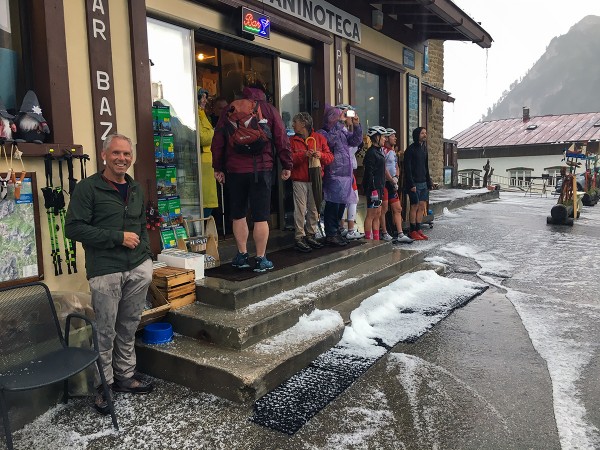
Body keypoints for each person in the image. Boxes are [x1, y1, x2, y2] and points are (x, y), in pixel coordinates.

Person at [65, 133, 153, 416]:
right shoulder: (88, 189)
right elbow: (74, 228)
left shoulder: (135, 188)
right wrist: (117, 237)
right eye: (116, 153)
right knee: (105, 330)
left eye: (127, 154)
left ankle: (125, 376)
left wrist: (146, 259)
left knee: (128, 326)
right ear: (104, 155)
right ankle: (104, 384)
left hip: (137, 267)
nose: (122, 159)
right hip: (105, 270)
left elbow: (140, 225)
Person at [211, 81, 292, 272]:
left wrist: (218, 167)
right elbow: (281, 138)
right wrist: (287, 164)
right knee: (260, 216)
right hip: (261, 169)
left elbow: (218, 141)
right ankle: (261, 258)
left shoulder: (229, 110)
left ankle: (242, 255)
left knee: (238, 214)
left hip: (235, 171)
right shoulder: (269, 109)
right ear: (262, 94)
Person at [317, 105, 362, 246]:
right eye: (338, 116)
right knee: (333, 205)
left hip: (345, 175)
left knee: (341, 204)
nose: (342, 118)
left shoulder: (342, 131)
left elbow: (355, 141)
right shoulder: (323, 132)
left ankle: (336, 232)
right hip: (333, 174)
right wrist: (339, 124)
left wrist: (357, 126)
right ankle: (331, 233)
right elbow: (330, 141)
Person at [289, 112, 333, 252]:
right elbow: (289, 159)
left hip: (315, 178)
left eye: (295, 122)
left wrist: (320, 155)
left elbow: (330, 157)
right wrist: (303, 155)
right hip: (300, 179)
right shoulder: (292, 140)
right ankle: (299, 236)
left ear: (303, 124)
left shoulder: (319, 138)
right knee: (300, 210)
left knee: (314, 208)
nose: (293, 125)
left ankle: (311, 234)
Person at [335, 104, 364, 240]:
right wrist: (342, 122)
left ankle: (343, 228)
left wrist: (356, 125)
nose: (349, 117)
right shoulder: (336, 129)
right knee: (345, 200)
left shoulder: (346, 130)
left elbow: (357, 142)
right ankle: (347, 229)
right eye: (346, 114)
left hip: (349, 170)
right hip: (339, 170)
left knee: (352, 199)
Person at [382, 128, 413, 244]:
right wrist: (391, 179)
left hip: (392, 182)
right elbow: (383, 167)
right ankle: (384, 233)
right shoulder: (383, 150)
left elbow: (396, 166)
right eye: (393, 136)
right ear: (387, 137)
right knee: (384, 209)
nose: (395, 138)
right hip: (385, 183)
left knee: (398, 208)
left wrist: (397, 177)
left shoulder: (393, 151)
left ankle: (400, 234)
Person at [404, 126, 434, 240]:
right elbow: (408, 169)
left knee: (422, 206)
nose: (425, 135)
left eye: (425, 133)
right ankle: (412, 230)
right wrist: (411, 184)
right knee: (414, 206)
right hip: (414, 183)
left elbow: (426, 167)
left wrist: (429, 181)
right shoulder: (410, 150)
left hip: (423, 182)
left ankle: (418, 228)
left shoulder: (424, 149)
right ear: (417, 135)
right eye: (422, 133)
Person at [362, 126, 388, 240]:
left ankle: (376, 238)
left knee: (378, 213)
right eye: (383, 137)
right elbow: (369, 173)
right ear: (377, 137)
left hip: (380, 187)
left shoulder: (378, 151)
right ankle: (368, 239)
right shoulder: (371, 153)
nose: (385, 139)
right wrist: (372, 190)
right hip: (373, 188)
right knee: (371, 214)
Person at [198, 89, 218, 217]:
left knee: (209, 202)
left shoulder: (202, 114)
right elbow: (201, 137)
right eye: (202, 97)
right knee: (206, 202)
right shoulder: (195, 114)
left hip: (208, 163)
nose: (205, 100)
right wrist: (215, 132)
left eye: (206, 97)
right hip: (202, 164)